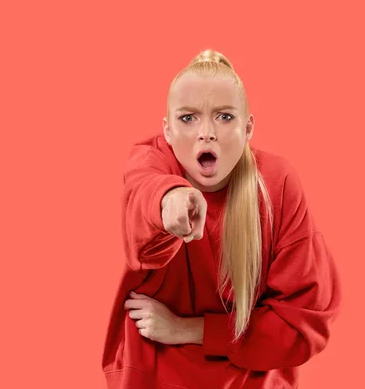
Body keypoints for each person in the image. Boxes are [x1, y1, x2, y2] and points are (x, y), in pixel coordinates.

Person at [101, 49, 342, 388]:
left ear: (248, 128)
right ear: (167, 132)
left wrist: (189, 329)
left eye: (224, 117)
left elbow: (305, 324)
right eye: (189, 118)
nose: (206, 132)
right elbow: (144, 194)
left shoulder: (278, 183)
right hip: (159, 376)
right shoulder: (152, 161)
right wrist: (169, 202)